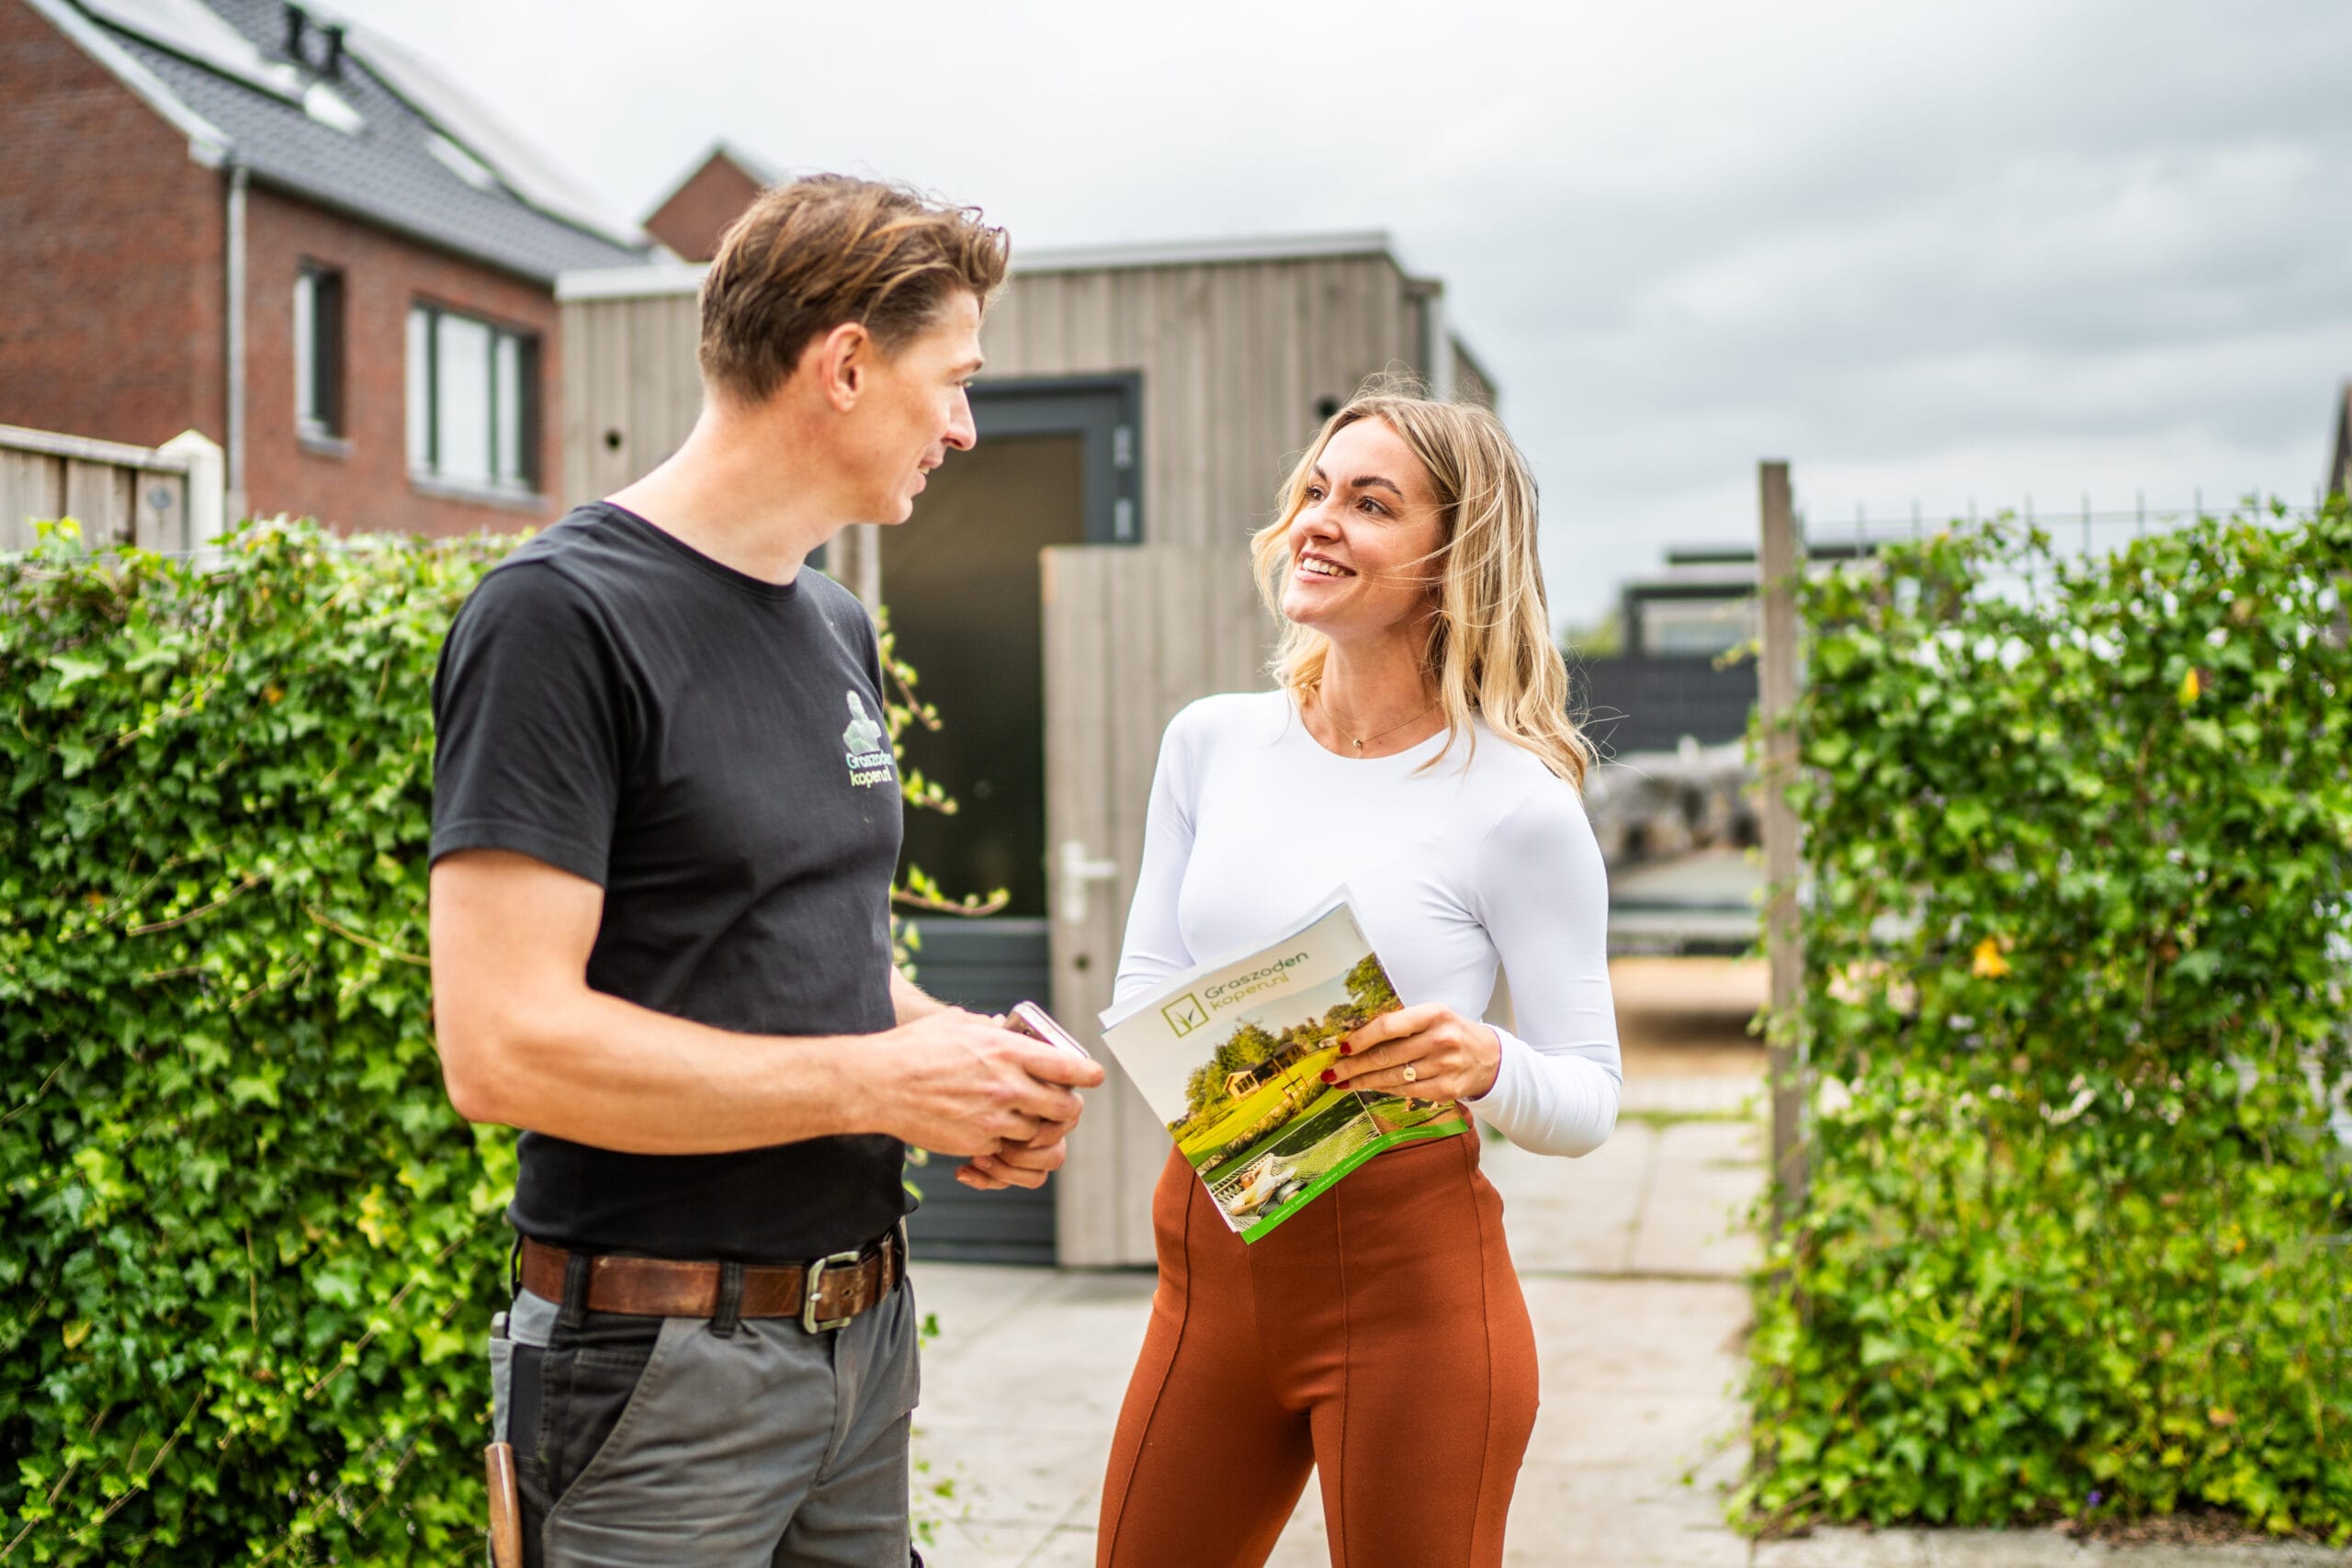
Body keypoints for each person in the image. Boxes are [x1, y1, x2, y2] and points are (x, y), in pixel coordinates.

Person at [427, 175, 1105, 1568]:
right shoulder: (556, 618)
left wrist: (969, 1058)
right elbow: (502, 1047)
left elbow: (816, 959)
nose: (966, 427)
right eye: (955, 380)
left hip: (864, 1340)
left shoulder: (835, 622)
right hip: (659, 1366)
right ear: (846, 364)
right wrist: (876, 1082)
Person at [1092, 387, 1622, 1567]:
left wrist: (1484, 1062)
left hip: (1412, 1303)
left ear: (1454, 560)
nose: (1319, 522)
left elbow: (1589, 1096)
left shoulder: (1514, 806)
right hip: (1208, 1273)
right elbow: (1146, 987)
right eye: (1316, 492)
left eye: (1370, 503)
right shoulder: (1211, 743)